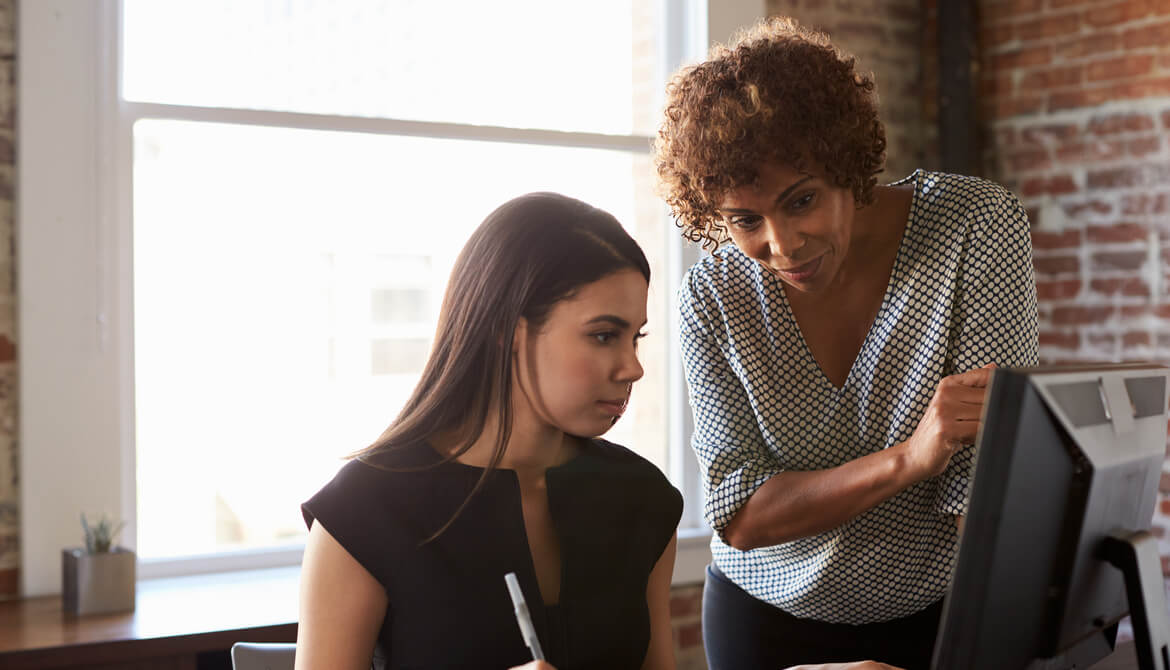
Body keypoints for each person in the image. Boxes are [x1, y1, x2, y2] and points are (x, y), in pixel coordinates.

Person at [653, 16, 1039, 670]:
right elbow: (740, 512)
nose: (783, 245)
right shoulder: (711, 298)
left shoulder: (973, 226)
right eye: (746, 220)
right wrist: (911, 458)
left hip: (939, 614)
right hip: (762, 621)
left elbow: (983, 480)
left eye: (801, 201)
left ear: (848, 164)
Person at [295, 193, 683, 670]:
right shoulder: (362, 513)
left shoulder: (645, 500)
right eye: (604, 335)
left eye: (635, 337)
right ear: (507, 330)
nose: (632, 368)